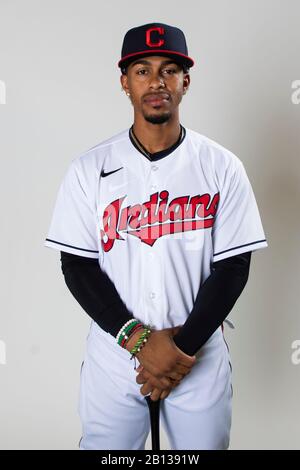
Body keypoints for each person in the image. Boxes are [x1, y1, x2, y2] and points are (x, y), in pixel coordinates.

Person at [44, 22, 268, 450]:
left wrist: (176, 351)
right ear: (125, 83)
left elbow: (234, 266)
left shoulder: (222, 166)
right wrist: (138, 340)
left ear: (185, 81)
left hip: (197, 353)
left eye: (169, 70)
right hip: (115, 353)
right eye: (143, 70)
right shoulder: (88, 169)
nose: (157, 81)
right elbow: (77, 264)